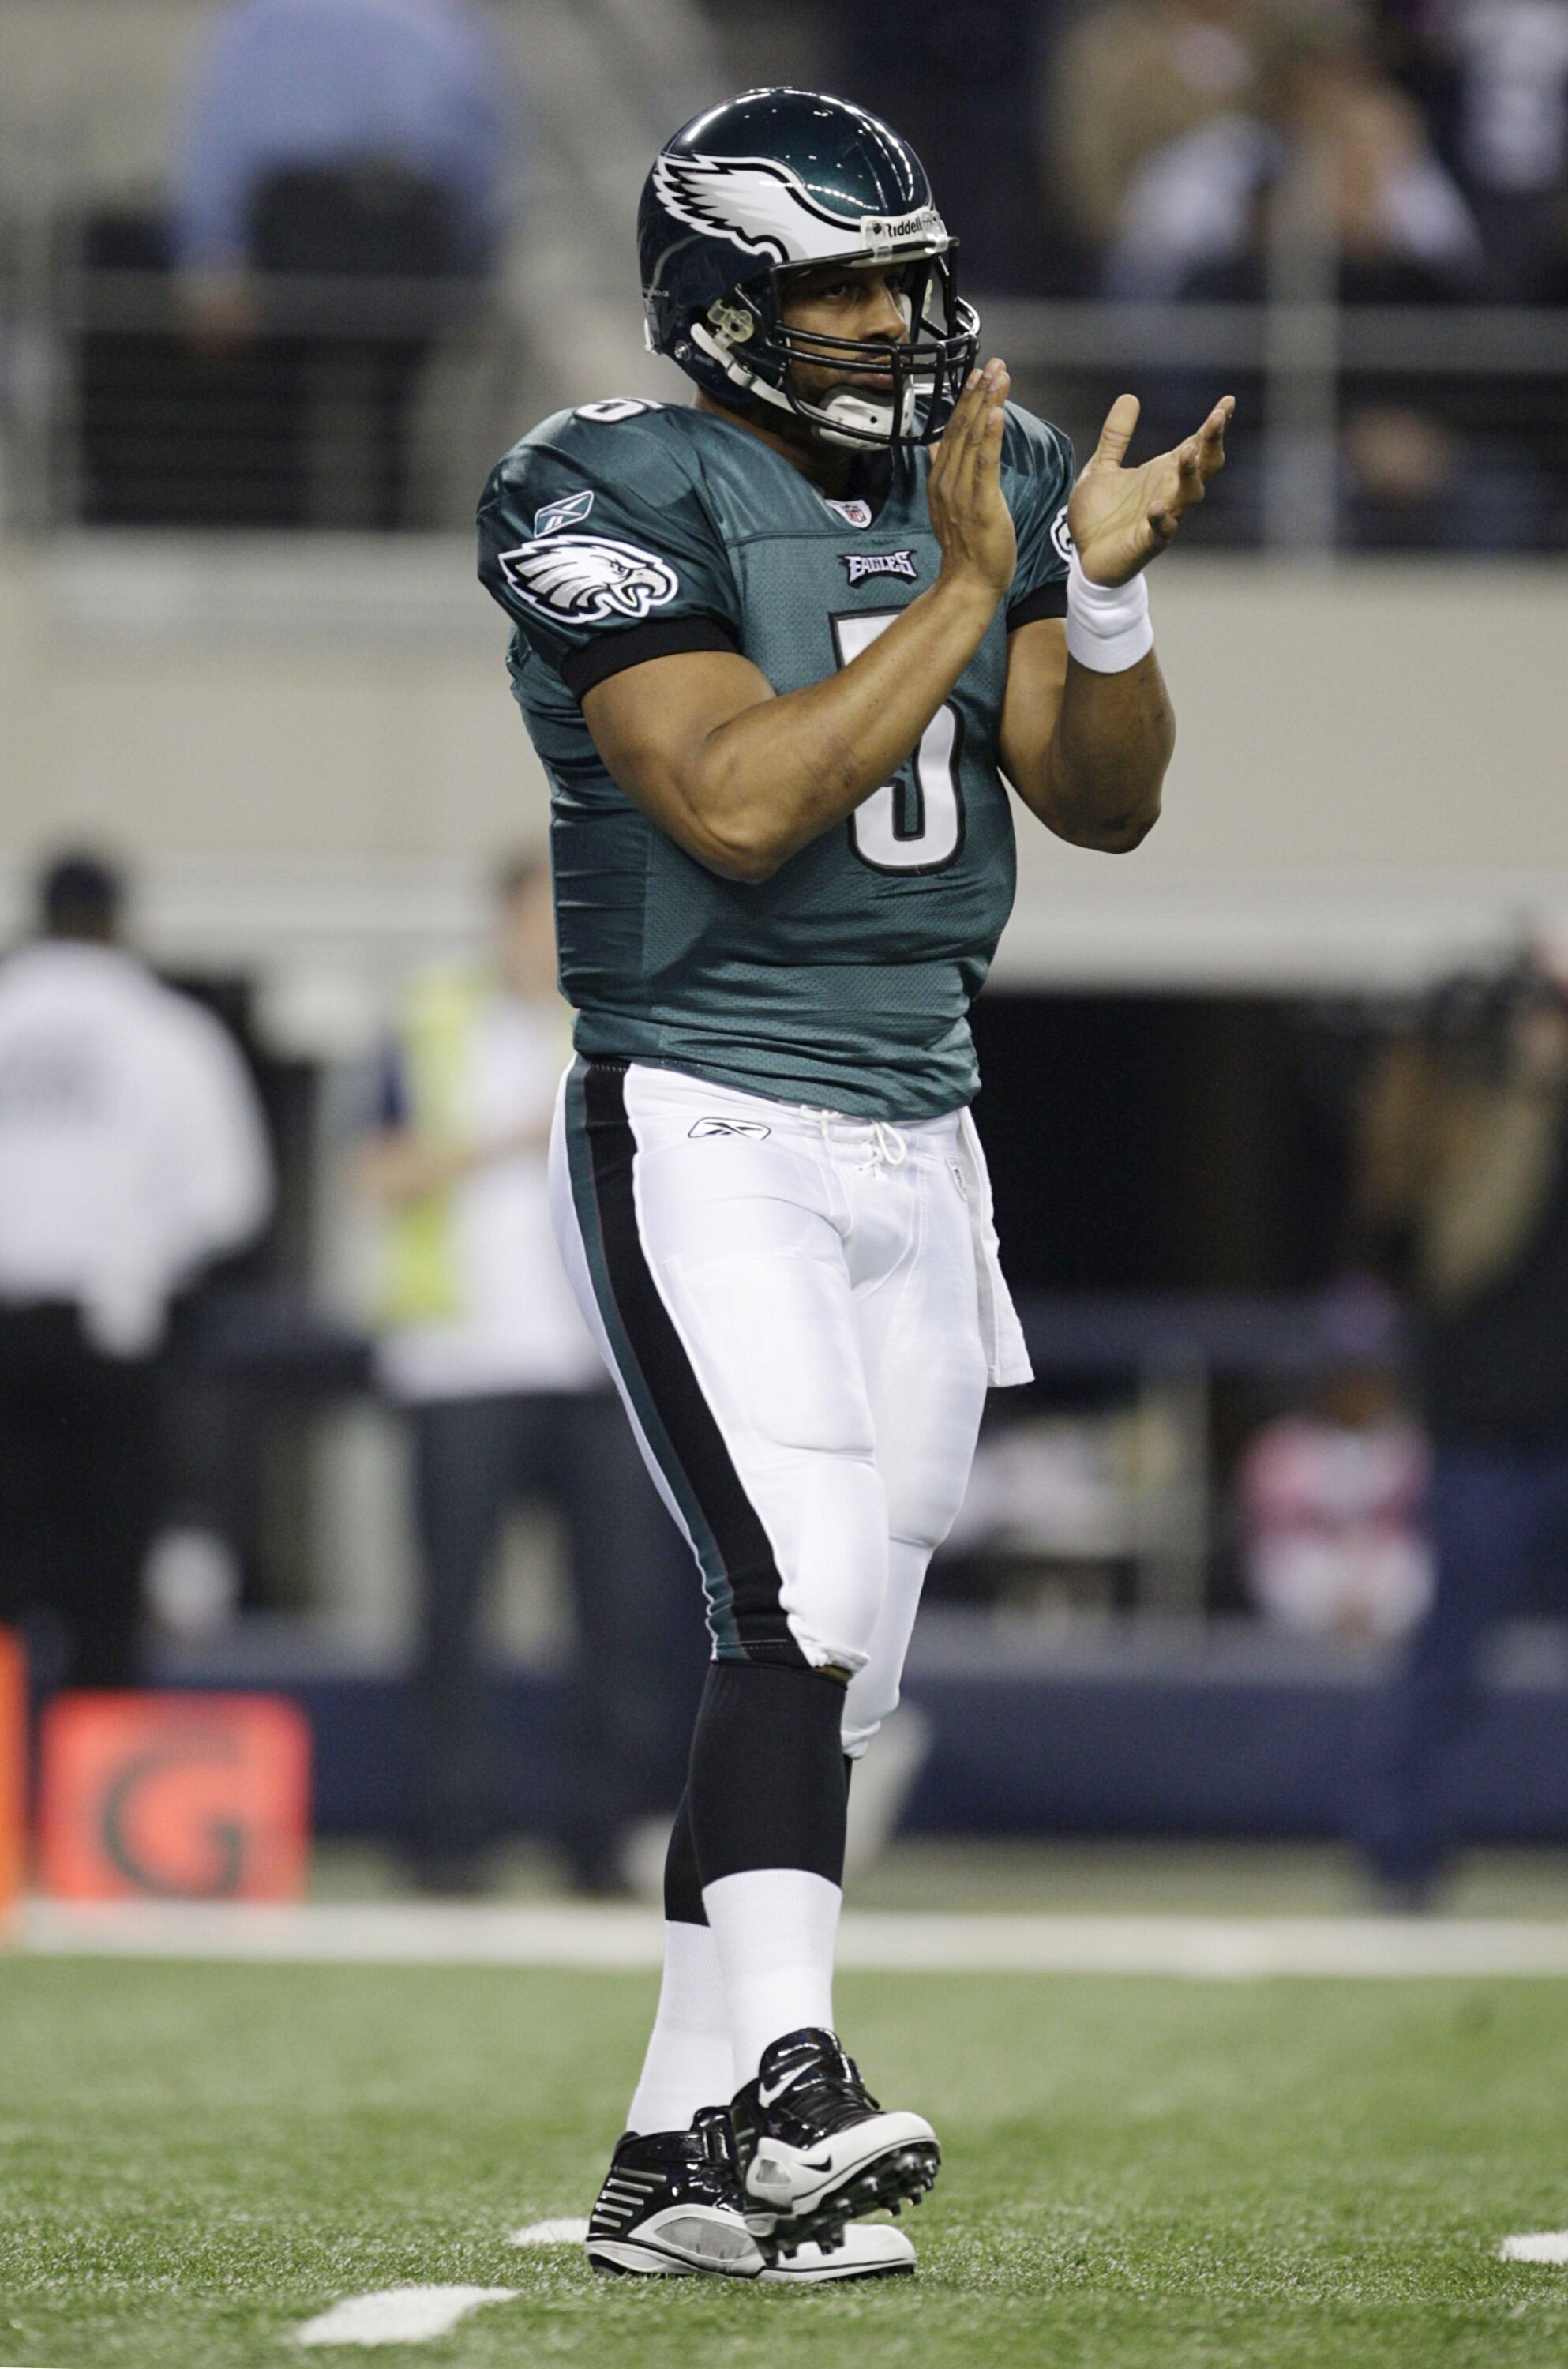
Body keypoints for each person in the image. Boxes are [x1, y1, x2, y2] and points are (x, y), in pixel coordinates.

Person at [477, 88, 1229, 2284]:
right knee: (790, 1595)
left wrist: (1084, 607)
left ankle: (670, 2165)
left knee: (837, 1657)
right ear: (721, 305)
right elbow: (727, 800)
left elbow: (1101, 810)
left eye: (903, 272)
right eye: (836, 284)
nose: (891, 319)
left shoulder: (963, 469)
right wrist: (977, 586)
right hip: (704, 1108)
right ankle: (790, 2084)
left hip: (926, 1117)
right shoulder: (595, 481)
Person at [354, 857, 688, 1895]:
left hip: (599, 1364)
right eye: (530, 920)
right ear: (497, 922)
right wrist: (506, 1140)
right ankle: (453, 1832)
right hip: (460, 1366)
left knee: (621, 1615)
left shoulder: (630, 1021)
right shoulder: (429, 1020)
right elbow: (376, 1169)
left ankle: (600, 1834)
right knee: (452, 1612)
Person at [0, 854, 272, 1688]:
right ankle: (92, 1803)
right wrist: (143, 1259)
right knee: (106, 1585)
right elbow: (232, 1200)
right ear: (120, 923)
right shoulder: (166, 1032)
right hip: (109, 1336)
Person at [1354, 952, 1568, 1902]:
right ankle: (1403, 1855)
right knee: (1451, 1660)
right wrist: (1521, 1084)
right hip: (1490, 1431)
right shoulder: (1460, 1106)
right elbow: (1458, 1247)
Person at [169, 0, 520, 526]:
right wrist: (476, 269)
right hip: (408, 239)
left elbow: (219, 142)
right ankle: (388, 529)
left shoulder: (260, 22)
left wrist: (210, 256)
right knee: (393, 418)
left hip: (302, 235)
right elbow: (484, 158)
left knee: (282, 415)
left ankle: (291, 532)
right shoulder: (442, 22)